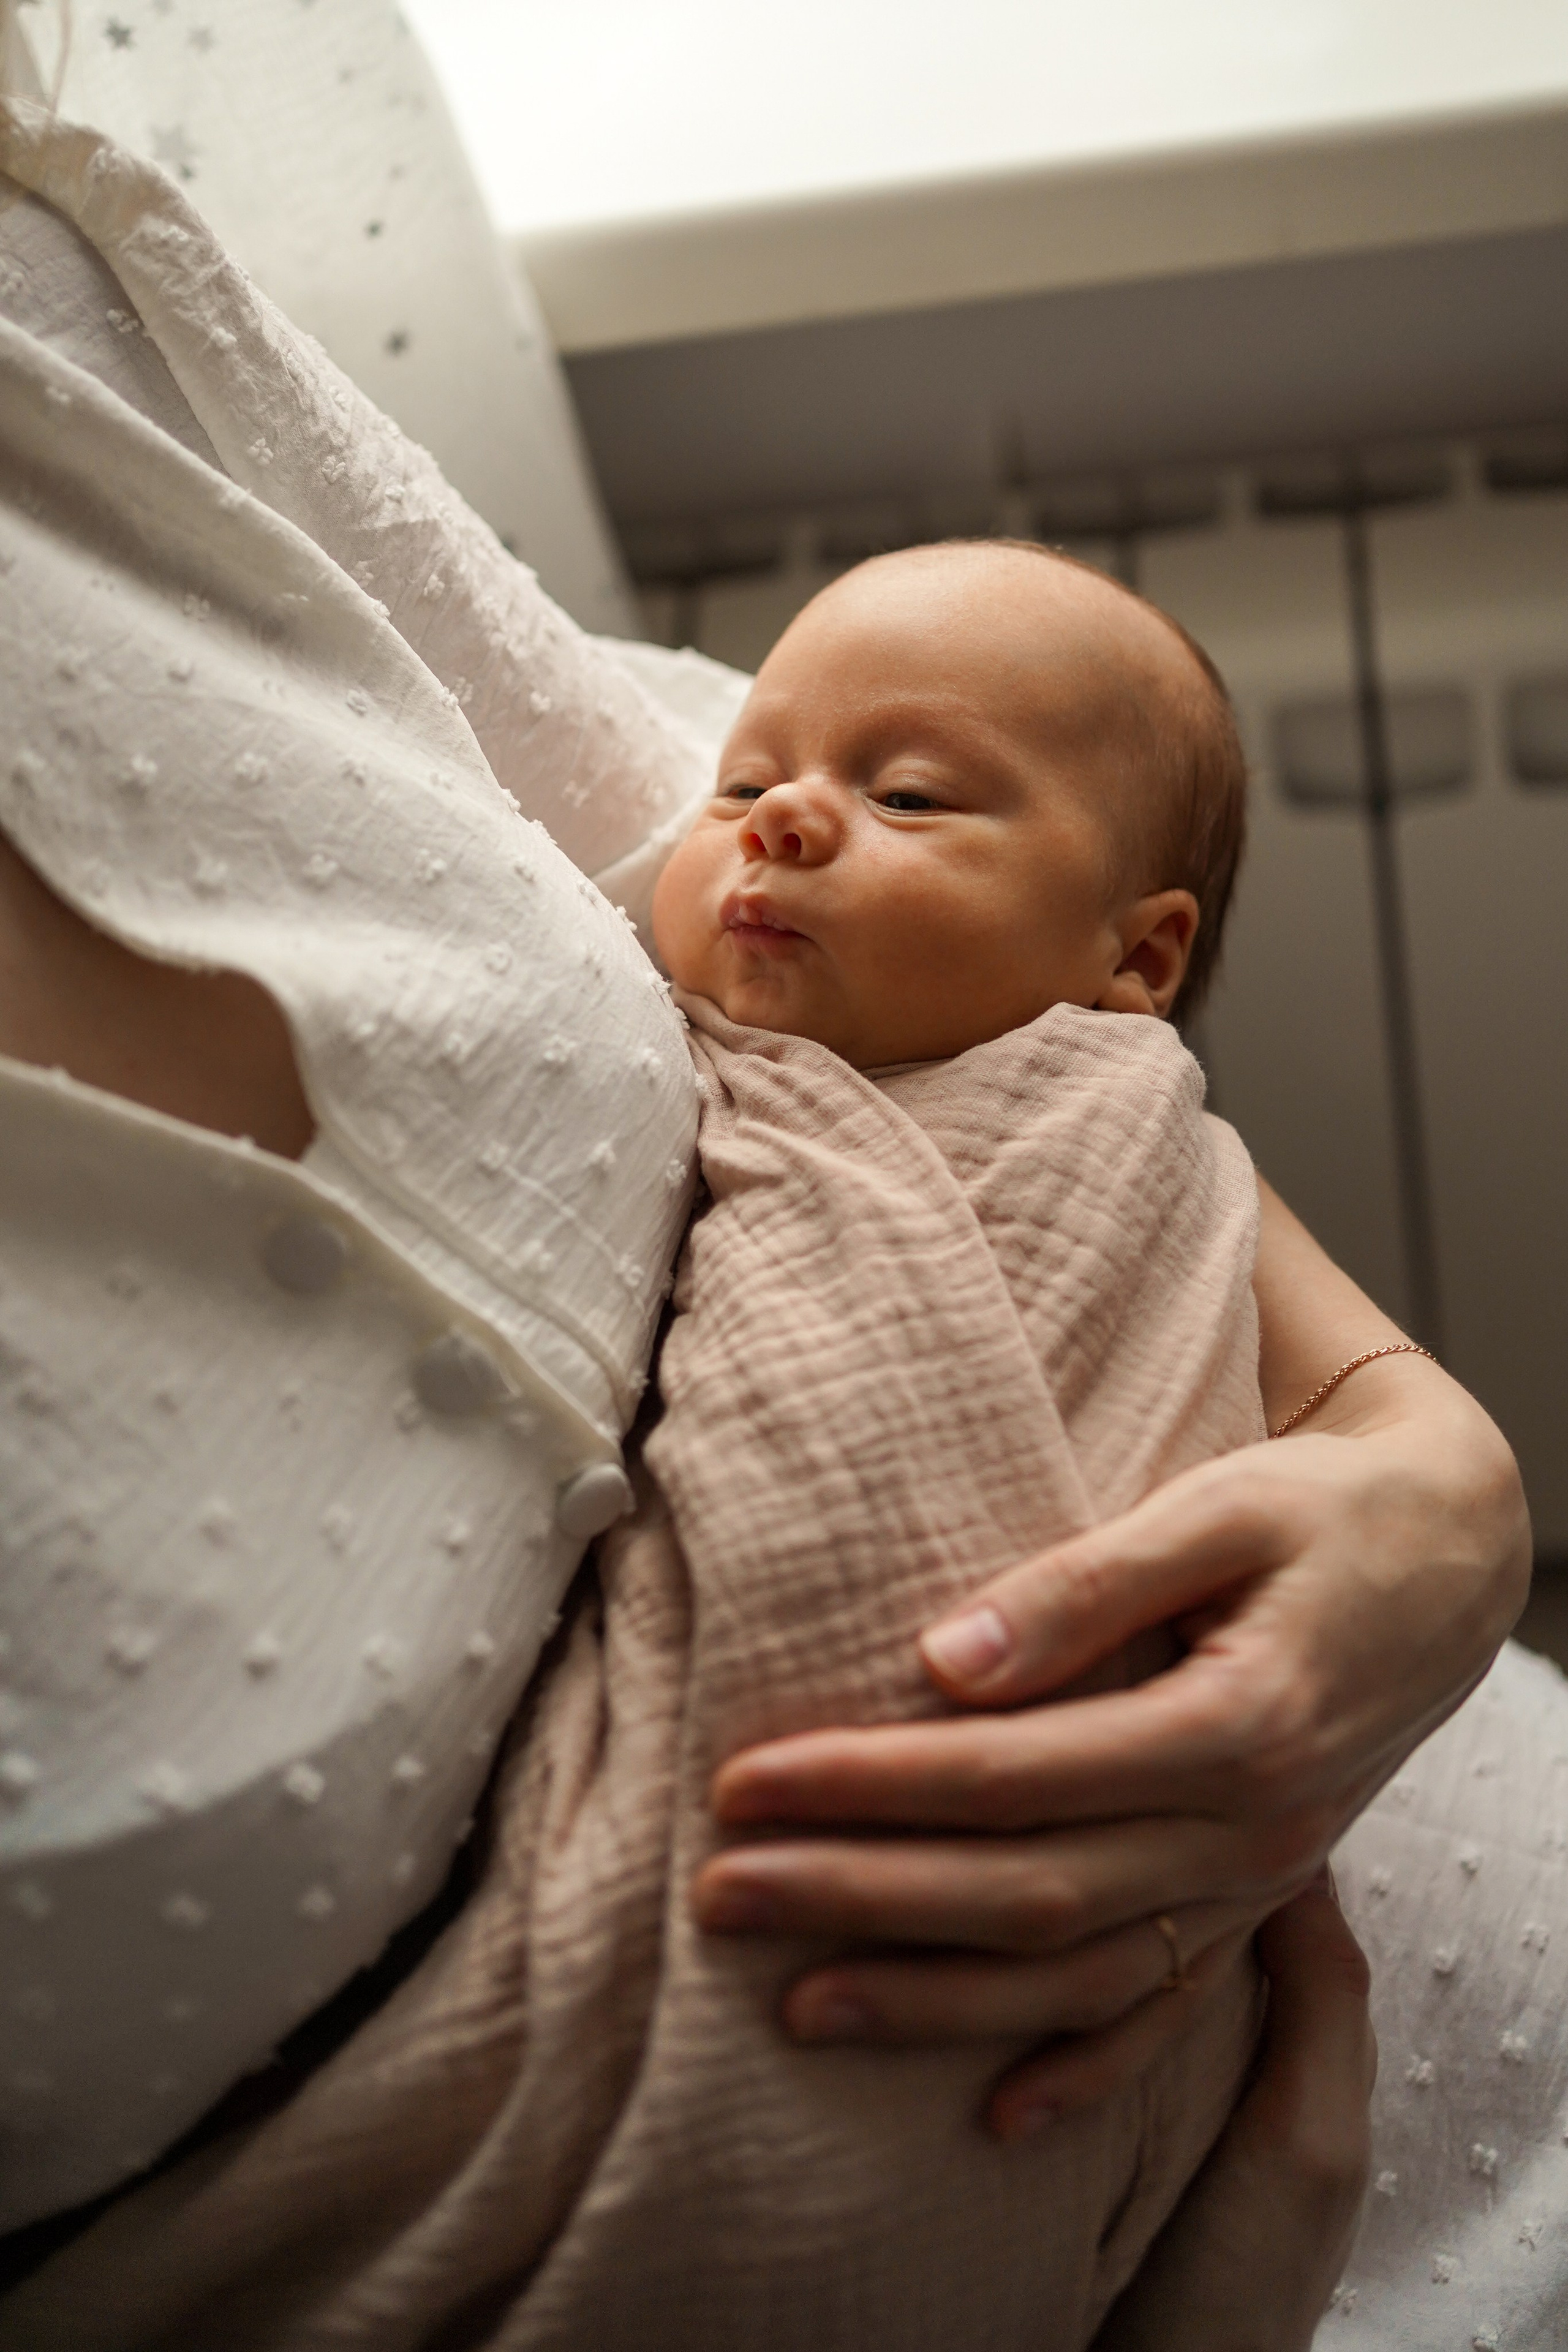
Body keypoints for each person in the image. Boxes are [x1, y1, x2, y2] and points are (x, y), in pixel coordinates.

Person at [0, 89, 1530, 2347]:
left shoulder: (1116, 1103)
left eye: (901, 795)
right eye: (762, 795)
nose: (779, 815)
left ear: (1139, 960)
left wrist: (1434, 1469)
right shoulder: (747, 1033)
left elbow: (1246, 1289)